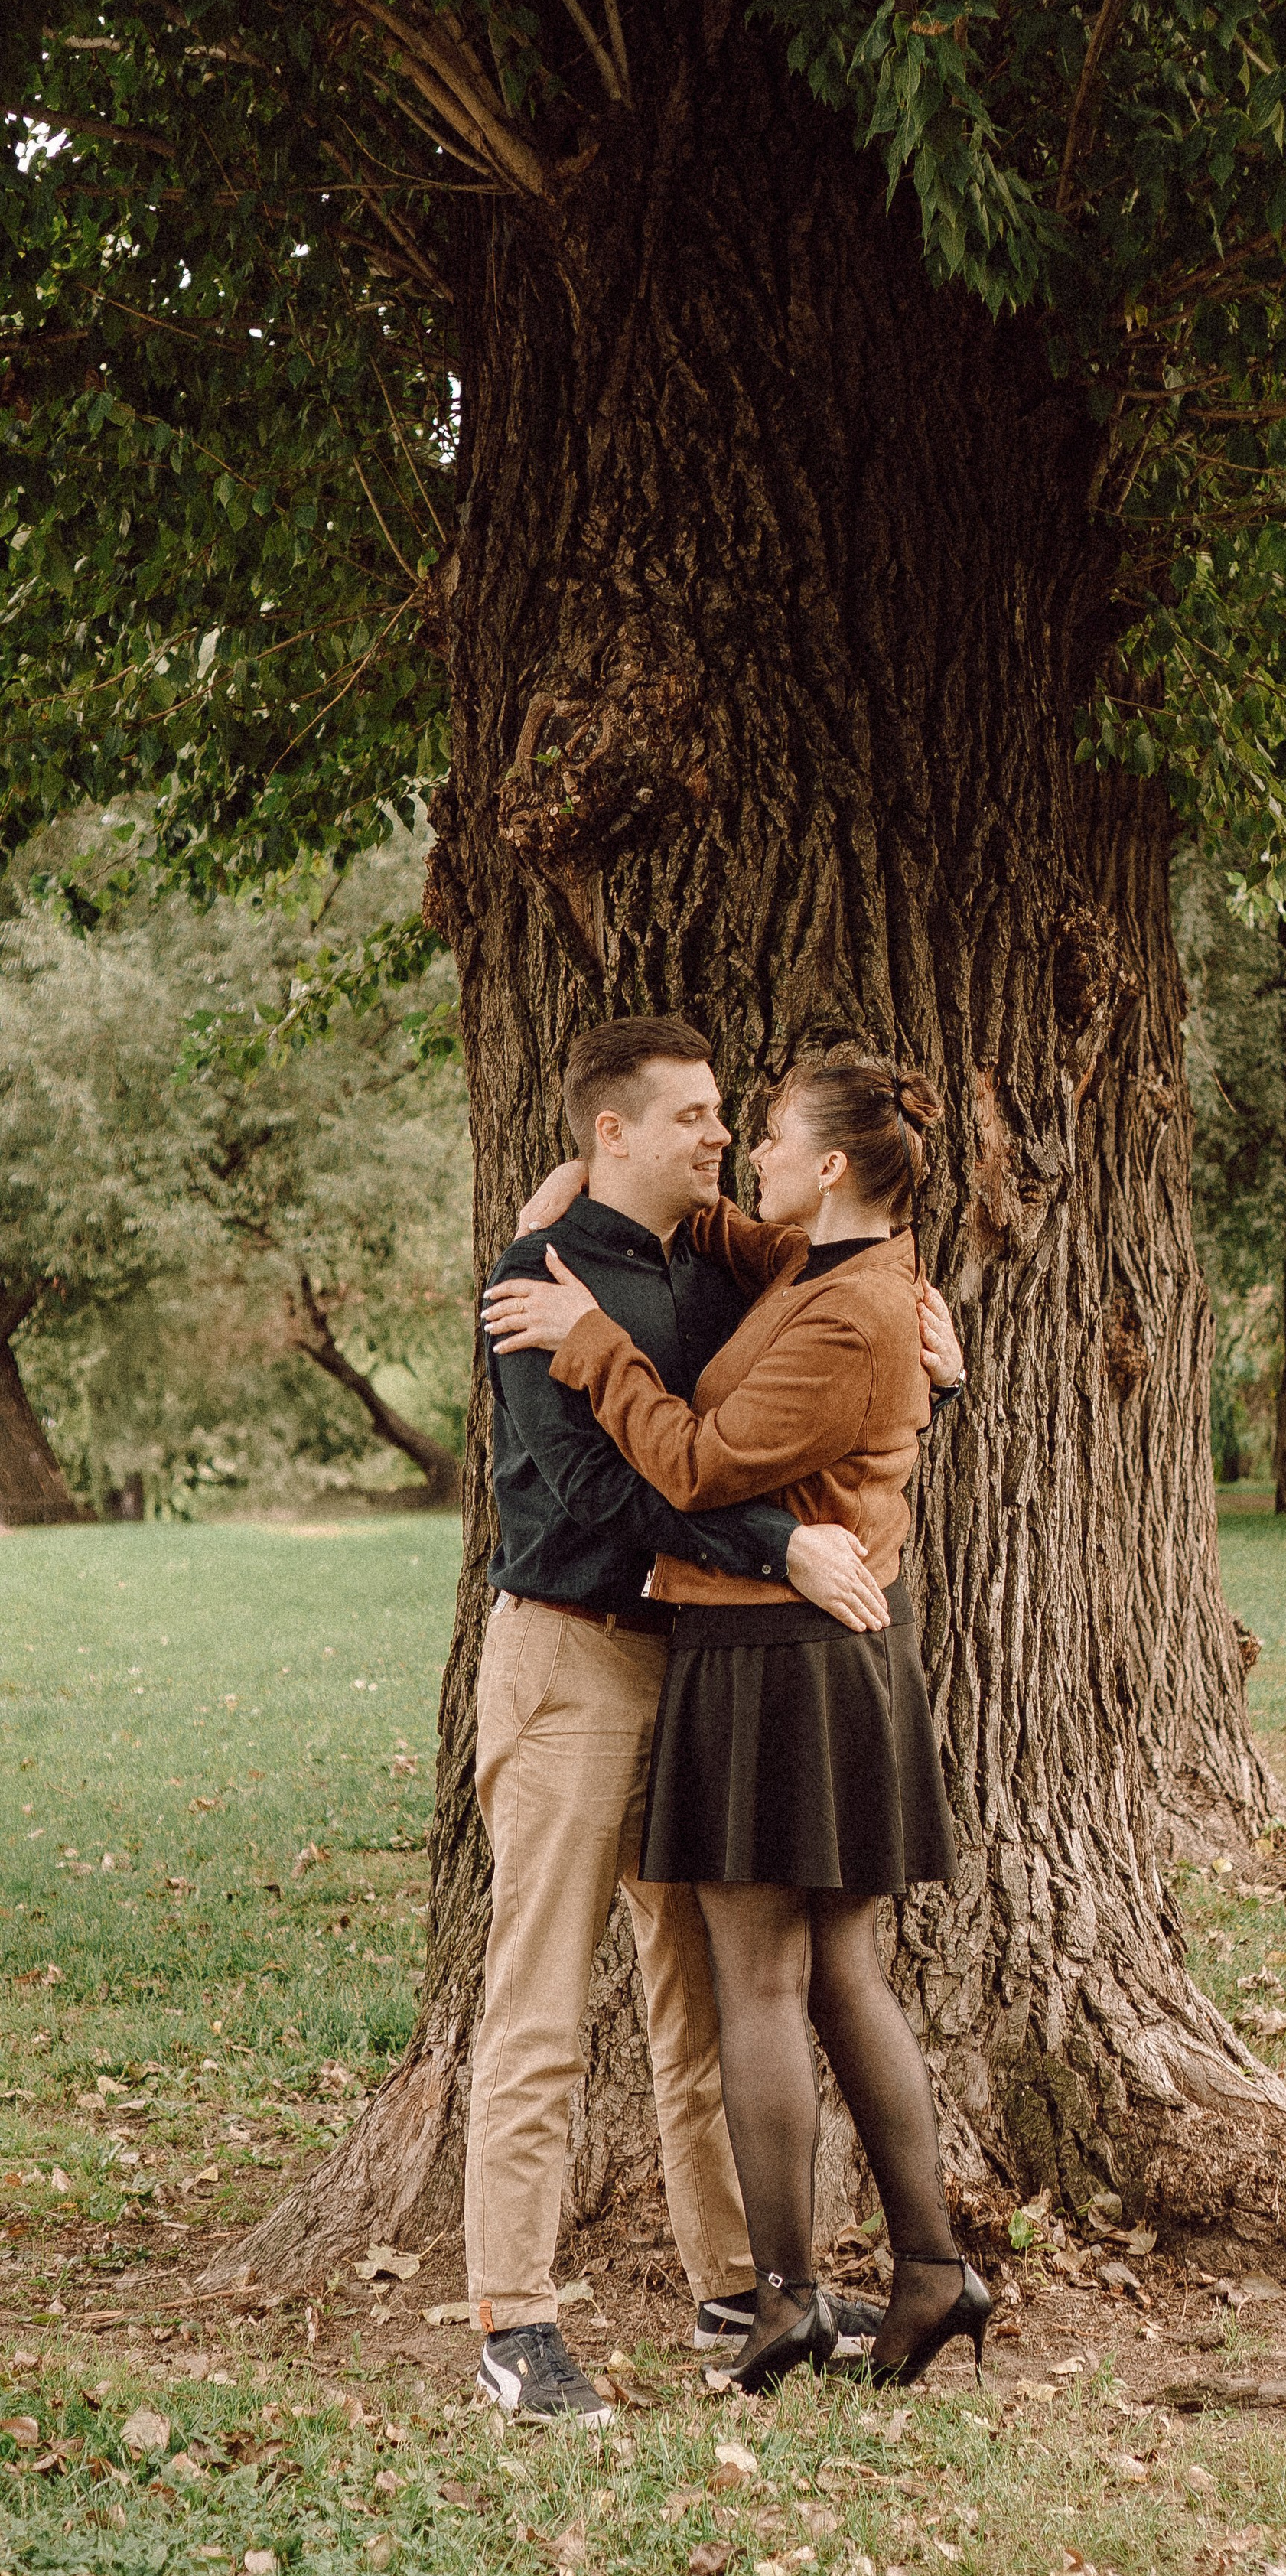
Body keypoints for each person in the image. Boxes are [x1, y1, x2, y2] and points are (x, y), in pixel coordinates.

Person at [470, 1015, 965, 2428]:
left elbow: (835, 1339)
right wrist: (777, 1547)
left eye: (730, 1115)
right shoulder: (540, 1280)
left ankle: (739, 2288)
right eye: (693, 1115)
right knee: (541, 2004)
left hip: (699, 1671)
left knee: (704, 2002)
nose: (722, 1134)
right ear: (611, 1132)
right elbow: (597, 1490)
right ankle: (514, 2321)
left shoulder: (721, 1260)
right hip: (572, 1661)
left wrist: (926, 1363)